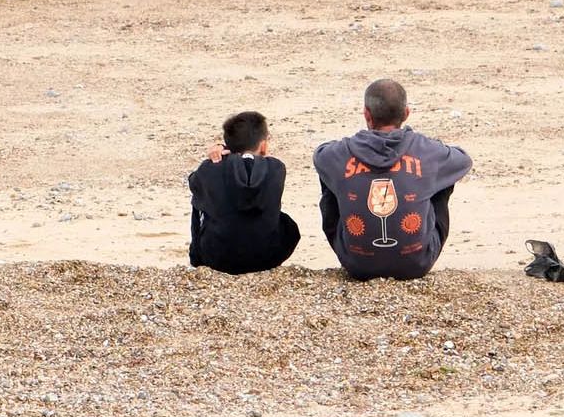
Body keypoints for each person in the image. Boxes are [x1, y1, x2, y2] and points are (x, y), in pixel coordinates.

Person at [313, 79, 472, 280]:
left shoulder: (339, 152)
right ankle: (409, 245)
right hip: (416, 264)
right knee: (440, 176)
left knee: (331, 176)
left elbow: (320, 155)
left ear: (367, 115)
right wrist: (429, 148)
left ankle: (360, 247)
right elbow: (463, 160)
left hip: (357, 265)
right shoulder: (426, 150)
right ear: (406, 114)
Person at [188, 111, 301, 275]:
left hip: (217, 259)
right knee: (283, 219)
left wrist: (221, 152)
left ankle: (196, 260)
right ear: (263, 145)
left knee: (201, 200)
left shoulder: (209, 168)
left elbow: (193, 182)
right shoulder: (276, 168)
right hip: (268, 257)